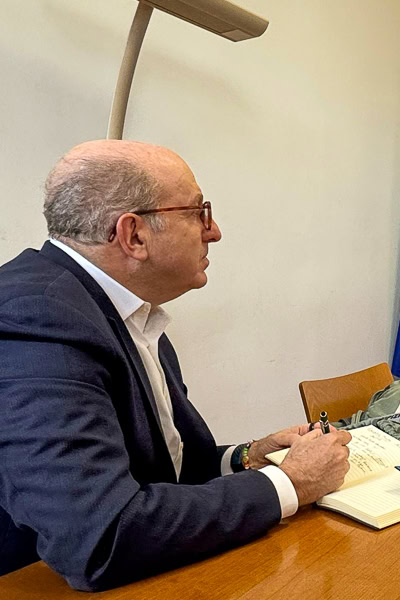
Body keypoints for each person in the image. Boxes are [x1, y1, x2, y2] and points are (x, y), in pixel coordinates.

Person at [0, 140, 352, 591]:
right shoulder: (35, 318)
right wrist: (290, 483)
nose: (215, 230)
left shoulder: (126, 311)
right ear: (134, 235)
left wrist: (247, 458)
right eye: (198, 213)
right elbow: (102, 536)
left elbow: (163, 470)